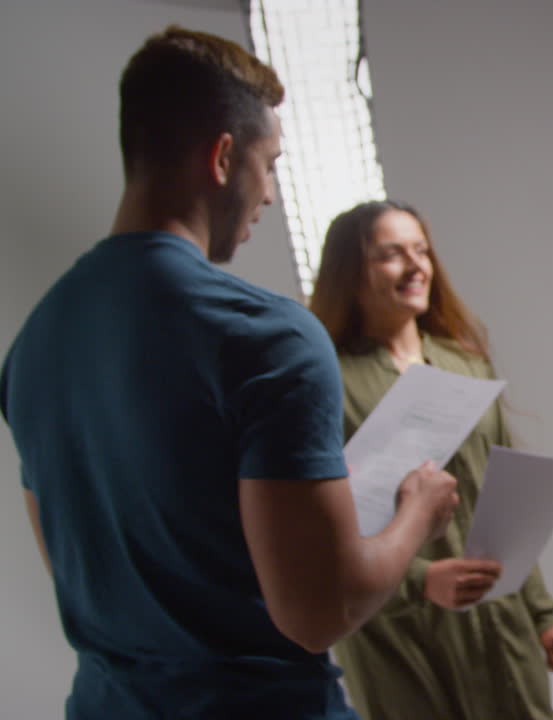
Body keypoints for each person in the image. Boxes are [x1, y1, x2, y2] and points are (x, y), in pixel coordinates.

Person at [0, 27, 458, 720]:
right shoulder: (266, 336)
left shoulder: (35, 341)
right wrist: (415, 514)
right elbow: (319, 610)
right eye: (269, 163)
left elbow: (78, 568)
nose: (270, 192)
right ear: (221, 157)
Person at [310, 199, 553, 720]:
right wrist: (418, 579)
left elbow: (505, 503)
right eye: (392, 255)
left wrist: (541, 614)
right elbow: (320, 528)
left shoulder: (466, 365)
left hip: (497, 620)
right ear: (352, 273)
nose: (416, 267)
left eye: (422, 251)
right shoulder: (328, 384)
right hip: (397, 627)